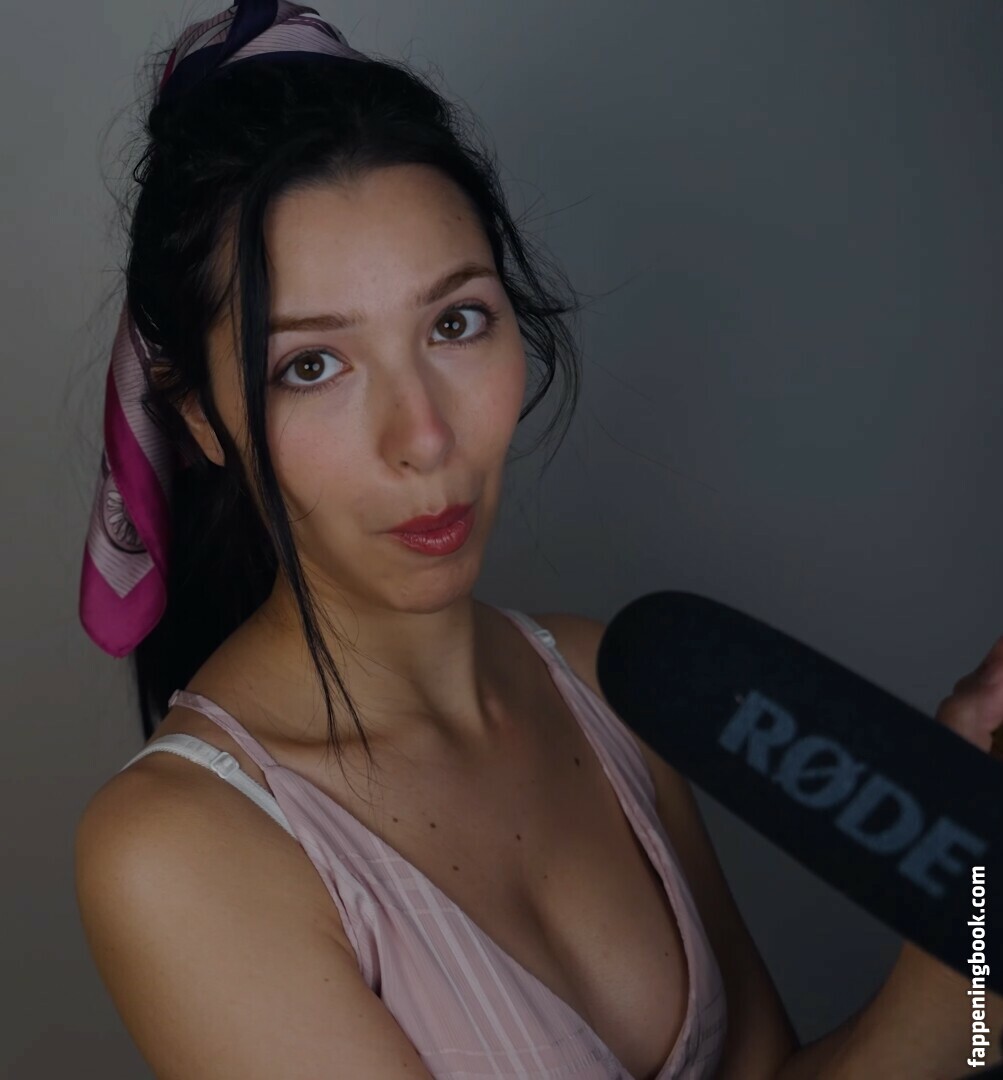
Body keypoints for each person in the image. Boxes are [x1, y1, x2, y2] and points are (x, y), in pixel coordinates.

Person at [72, 3, 1002, 1078]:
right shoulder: (175, 848)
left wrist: (971, 894)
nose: (425, 437)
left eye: (454, 322)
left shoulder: (611, 684)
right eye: (311, 366)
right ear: (199, 419)